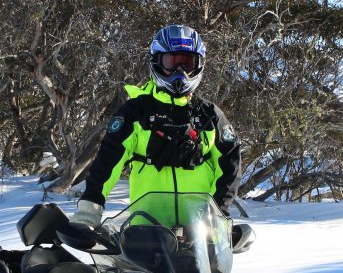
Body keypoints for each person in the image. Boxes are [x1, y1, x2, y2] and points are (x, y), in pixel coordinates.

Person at [71, 25, 241, 228]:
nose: (180, 73)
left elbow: (230, 167)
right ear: (156, 61)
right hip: (146, 232)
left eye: (187, 64)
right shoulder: (135, 112)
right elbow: (107, 163)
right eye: (172, 62)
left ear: (199, 65)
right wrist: (89, 211)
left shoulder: (209, 116)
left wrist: (218, 216)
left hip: (200, 235)